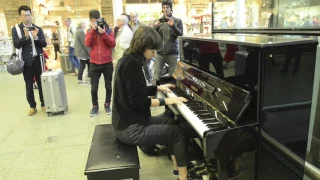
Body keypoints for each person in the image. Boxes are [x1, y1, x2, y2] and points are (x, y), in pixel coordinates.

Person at [112, 26, 202, 180]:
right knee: (178, 134)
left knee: (174, 123)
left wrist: (157, 87)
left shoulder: (127, 59)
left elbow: (134, 90)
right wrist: (167, 100)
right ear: (144, 47)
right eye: (153, 51)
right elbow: (139, 102)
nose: (153, 55)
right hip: (131, 129)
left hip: (128, 121)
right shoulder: (132, 64)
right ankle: (183, 177)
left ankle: (176, 168)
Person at [12, 6, 47, 116]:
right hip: (26, 62)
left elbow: (44, 44)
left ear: (31, 15)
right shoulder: (16, 29)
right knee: (29, 85)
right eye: (24, 15)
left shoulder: (37, 28)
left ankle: (44, 104)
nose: (27, 17)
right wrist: (25, 37)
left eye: (28, 15)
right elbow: (16, 44)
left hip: (38, 60)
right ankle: (32, 106)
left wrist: (36, 38)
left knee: (42, 83)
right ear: (20, 16)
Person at [85, 10, 115, 117]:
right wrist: (93, 31)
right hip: (94, 64)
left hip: (107, 63)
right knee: (94, 88)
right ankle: (95, 106)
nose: (95, 24)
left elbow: (112, 44)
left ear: (100, 19)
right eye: (93, 22)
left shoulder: (108, 30)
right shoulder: (89, 31)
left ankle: (107, 105)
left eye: (97, 21)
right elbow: (87, 43)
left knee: (108, 86)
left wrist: (104, 34)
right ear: (90, 21)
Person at [152, 0, 183, 85]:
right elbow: (154, 36)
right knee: (156, 76)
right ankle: (154, 94)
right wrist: (155, 27)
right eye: (163, 7)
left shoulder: (177, 21)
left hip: (172, 53)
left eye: (167, 7)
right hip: (160, 53)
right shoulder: (158, 21)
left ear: (171, 9)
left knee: (173, 76)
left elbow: (180, 34)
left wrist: (173, 26)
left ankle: (174, 95)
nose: (165, 9)